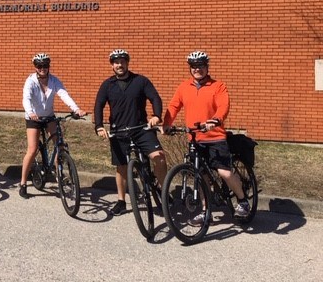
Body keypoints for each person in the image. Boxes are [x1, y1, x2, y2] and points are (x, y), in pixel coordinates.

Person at [163, 51, 250, 224]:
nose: (197, 69)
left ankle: (242, 201)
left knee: (224, 172)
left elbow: (223, 105)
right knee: (200, 176)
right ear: (190, 68)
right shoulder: (184, 87)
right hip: (195, 139)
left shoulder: (218, 86)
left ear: (206, 67)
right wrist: (166, 123)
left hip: (215, 137)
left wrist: (215, 120)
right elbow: (173, 106)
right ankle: (205, 212)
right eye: (194, 66)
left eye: (201, 66)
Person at [93, 49, 167, 215]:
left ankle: (163, 192)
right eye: (116, 62)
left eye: (122, 61)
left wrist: (156, 116)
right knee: (121, 167)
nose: (119, 65)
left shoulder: (140, 81)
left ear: (127, 63)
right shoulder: (107, 85)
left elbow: (155, 98)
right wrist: (98, 126)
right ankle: (121, 201)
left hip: (141, 129)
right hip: (119, 131)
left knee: (159, 157)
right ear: (112, 65)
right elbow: (98, 105)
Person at [20, 53, 86, 199]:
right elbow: (26, 98)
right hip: (33, 118)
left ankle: (59, 175)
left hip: (49, 116)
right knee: (32, 149)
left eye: (45, 65)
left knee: (60, 145)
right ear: (35, 67)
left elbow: (64, 94)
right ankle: (23, 183)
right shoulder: (30, 81)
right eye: (39, 66)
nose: (42, 68)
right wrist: (30, 112)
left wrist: (76, 109)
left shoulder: (54, 80)